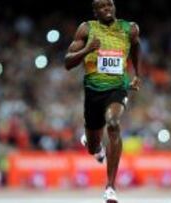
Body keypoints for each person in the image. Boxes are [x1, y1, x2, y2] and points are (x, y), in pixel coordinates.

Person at [64, 0, 141, 202]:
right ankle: (94, 147)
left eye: (110, 5)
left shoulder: (129, 28)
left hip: (117, 88)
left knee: (114, 124)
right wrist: (87, 49)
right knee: (92, 146)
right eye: (102, 6)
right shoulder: (86, 29)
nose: (107, 8)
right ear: (95, 12)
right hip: (93, 92)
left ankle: (110, 187)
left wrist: (137, 74)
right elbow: (68, 62)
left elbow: (136, 46)